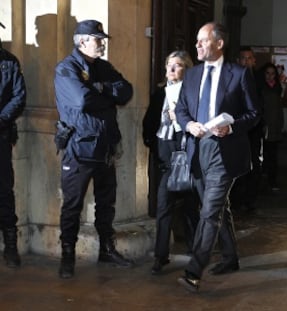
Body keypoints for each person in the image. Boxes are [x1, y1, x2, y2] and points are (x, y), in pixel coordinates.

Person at [175, 22, 260, 292]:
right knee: (219, 207)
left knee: (209, 213)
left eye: (203, 41)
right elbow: (180, 110)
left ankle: (194, 271)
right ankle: (230, 257)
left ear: (219, 43)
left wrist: (232, 126)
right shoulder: (191, 75)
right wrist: (189, 125)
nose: (197, 45)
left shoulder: (239, 74)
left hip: (225, 151)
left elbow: (254, 113)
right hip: (198, 150)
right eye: (197, 41)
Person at [54, 20, 133, 279]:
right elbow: (81, 100)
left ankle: (107, 249)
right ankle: (67, 256)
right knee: (73, 205)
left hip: (105, 146)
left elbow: (126, 92)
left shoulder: (103, 67)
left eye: (102, 39)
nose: (102, 43)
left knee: (106, 203)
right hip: (80, 147)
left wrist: (102, 88)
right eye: (97, 39)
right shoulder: (66, 69)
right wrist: (104, 96)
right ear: (82, 41)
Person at [142, 50, 199, 275]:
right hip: (165, 158)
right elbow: (150, 121)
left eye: (177, 66)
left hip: (185, 155)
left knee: (189, 206)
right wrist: (152, 143)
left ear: (187, 69)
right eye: (169, 66)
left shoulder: (193, 93)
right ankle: (160, 255)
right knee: (163, 206)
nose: (171, 70)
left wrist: (179, 119)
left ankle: (196, 250)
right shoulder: (159, 93)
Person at [0, 31, 26, 268]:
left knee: (4, 192)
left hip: (1, 133)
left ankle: (10, 245)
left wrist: (1, 119)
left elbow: (19, 97)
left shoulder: (9, 62)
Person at [230, 46, 263, 212]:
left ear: (254, 60)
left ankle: (250, 198)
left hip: (255, 129)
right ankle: (236, 199)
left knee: (254, 163)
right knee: (238, 163)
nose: (247, 61)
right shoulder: (232, 78)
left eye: (250, 58)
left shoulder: (258, 79)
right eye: (243, 58)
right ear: (238, 60)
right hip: (237, 128)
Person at [259, 62, 284, 192]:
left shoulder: (277, 87)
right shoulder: (261, 88)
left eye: (273, 73)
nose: (270, 76)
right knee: (264, 155)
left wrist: (280, 123)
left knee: (273, 155)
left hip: (275, 126)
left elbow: (279, 108)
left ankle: (272, 181)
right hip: (264, 126)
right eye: (267, 73)